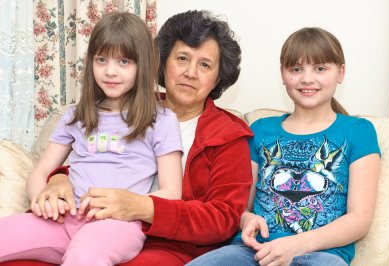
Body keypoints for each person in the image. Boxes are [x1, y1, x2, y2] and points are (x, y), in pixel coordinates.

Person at [0, 10, 253, 266]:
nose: (190, 72)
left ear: (218, 77)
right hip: (75, 219)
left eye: (205, 65)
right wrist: (57, 179)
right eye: (182, 58)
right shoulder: (119, 102)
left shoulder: (228, 134)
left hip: (166, 244)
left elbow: (222, 218)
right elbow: (93, 157)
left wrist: (141, 207)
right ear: (161, 63)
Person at [187, 27, 381, 266]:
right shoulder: (260, 130)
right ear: (282, 73)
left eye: (320, 68)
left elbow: (360, 218)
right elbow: (239, 206)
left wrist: (295, 245)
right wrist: (246, 220)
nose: (307, 79)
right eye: (296, 69)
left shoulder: (358, 131)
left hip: (321, 255)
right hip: (253, 251)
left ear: (340, 72)